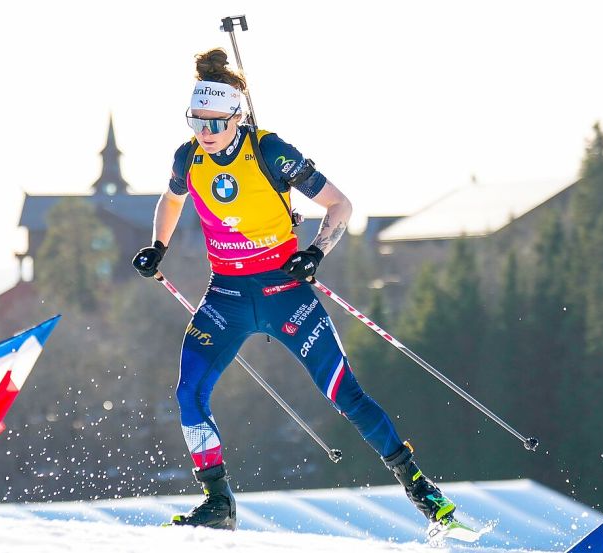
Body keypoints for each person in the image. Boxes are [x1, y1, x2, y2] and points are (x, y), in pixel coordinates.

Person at [131, 48, 457, 530]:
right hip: (227, 296)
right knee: (189, 393)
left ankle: (422, 492)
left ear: (235, 116)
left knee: (345, 394)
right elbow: (172, 197)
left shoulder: (269, 150)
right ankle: (218, 503)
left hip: (286, 292)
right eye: (196, 121)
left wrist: (317, 251)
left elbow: (340, 205)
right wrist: (156, 246)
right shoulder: (189, 157)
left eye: (214, 123)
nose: (205, 132)